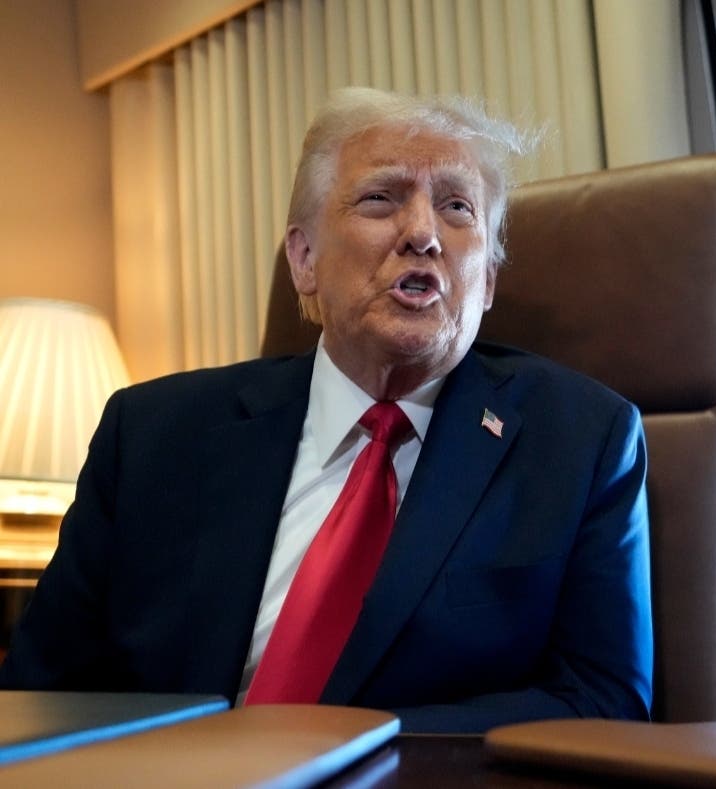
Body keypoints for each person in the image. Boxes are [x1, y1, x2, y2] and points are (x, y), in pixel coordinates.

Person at [0, 87, 653, 734]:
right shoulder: (149, 435)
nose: (424, 233)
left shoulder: (580, 443)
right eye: (380, 198)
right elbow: (42, 692)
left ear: (486, 280)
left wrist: (349, 743)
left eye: (457, 207)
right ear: (304, 258)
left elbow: (601, 701)